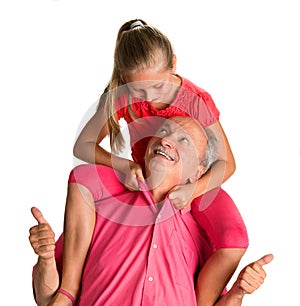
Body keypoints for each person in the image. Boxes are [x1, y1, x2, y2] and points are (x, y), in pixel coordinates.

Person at [29, 116, 268, 306]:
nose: (166, 140)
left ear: (198, 172)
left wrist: (237, 293)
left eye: (183, 140)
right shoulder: (99, 209)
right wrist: (46, 259)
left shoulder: (201, 238)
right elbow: (47, 298)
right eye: (163, 132)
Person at [73, 18, 236, 209]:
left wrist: (193, 191)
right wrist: (124, 166)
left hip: (188, 186)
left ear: (173, 64)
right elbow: (83, 145)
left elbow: (227, 163)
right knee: (81, 182)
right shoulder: (123, 96)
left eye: (158, 86)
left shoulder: (195, 101)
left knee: (227, 226)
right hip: (145, 184)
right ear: (123, 76)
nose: (149, 97)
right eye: (139, 90)